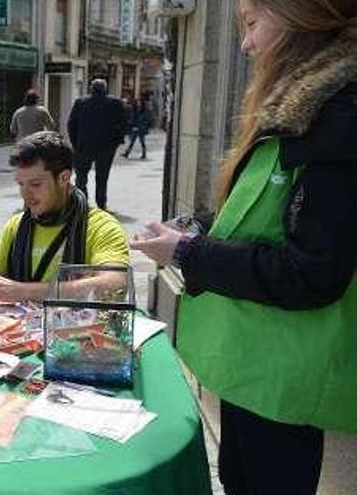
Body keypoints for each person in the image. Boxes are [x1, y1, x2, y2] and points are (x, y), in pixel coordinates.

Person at [132, 1, 357, 493]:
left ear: (301, 17)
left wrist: (187, 253)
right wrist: (196, 227)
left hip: (282, 377)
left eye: (253, 24)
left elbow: (311, 270)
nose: (245, 44)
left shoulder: (334, 117)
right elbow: (262, 216)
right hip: (254, 367)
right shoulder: (302, 107)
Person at [0, 131, 130, 304]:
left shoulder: (101, 227)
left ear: (64, 178)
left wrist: (26, 291)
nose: (25, 194)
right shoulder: (16, 225)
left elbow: (114, 285)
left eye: (35, 184)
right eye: (20, 184)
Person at [66, 79, 127, 210]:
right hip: (106, 146)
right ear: (105, 89)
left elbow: (71, 124)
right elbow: (123, 124)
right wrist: (116, 142)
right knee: (102, 177)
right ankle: (101, 203)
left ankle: (82, 204)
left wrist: (75, 143)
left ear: (91, 89)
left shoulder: (80, 102)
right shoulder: (115, 103)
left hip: (83, 146)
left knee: (81, 176)